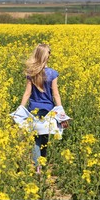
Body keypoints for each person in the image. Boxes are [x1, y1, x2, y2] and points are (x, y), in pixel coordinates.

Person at [20, 43, 68, 172]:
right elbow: (56, 95)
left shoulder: (32, 73)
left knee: (36, 139)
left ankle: (38, 167)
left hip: (33, 111)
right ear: (47, 56)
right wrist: (61, 114)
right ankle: (43, 163)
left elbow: (27, 93)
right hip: (48, 112)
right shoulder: (52, 73)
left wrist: (20, 109)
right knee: (44, 138)